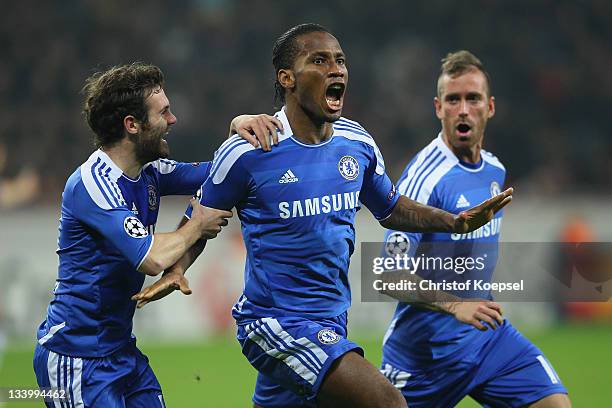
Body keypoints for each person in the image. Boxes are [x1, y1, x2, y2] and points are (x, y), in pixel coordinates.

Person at [135, 25, 511, 408]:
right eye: (319, 60)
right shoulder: (250, 149)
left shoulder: (357, 143)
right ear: (287, 79)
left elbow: (391, 206)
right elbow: (201, 216)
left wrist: (453, 222)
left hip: (330, 320)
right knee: (388, 403)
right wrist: (177, 268)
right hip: (274, 323)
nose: (336, 69)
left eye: (340, 61)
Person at [32, 62, 282, 408]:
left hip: (120, 351)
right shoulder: (92, 184)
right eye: (164, 112)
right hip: (76, 357)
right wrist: (197, 225)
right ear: (132, 125)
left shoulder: (150, 172)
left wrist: (234, 131)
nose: (173, 119)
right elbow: (152, 258)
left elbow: (218, 176)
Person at [379, 51, 570, 407]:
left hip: (486, 340)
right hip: (424, 357)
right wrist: (454, 306)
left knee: (554, 404)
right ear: (438, 108)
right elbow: (388, 275)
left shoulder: (495, 170)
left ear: (490, 107)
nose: (463, 109)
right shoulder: (424, 178)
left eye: (473, 98)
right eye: (453, 100)